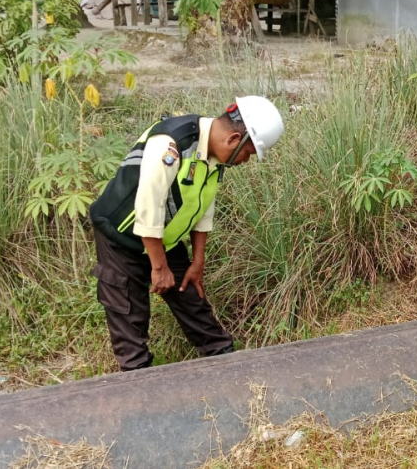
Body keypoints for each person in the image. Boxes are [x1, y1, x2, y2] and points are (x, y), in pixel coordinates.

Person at [89, 96, 284, 371]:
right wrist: (159, 267)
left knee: (192, 298)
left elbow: (203, 207)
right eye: (248, 154)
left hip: (163, 240)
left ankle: (224, 361)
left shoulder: (214, 156)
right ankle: (137, 377)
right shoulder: (172, 143)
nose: (245, 161)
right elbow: (149, 206)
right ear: (234, 139)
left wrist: (197, 262)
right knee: (129, 313)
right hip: (120, 236)